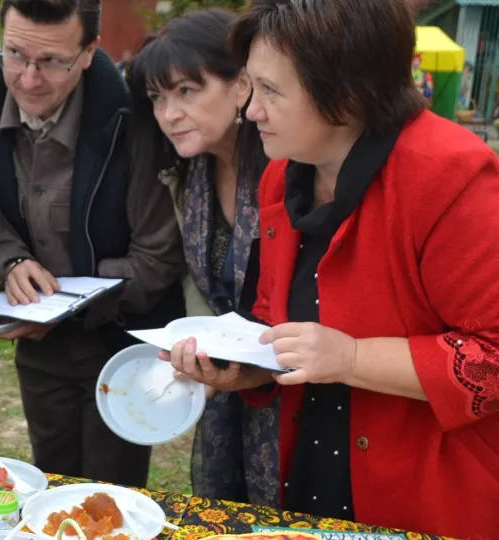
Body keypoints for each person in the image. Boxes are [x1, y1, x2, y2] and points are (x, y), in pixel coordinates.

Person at [168, 0, 499, 536]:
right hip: (314, 471)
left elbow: (492, 358)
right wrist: (243, 366)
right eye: (251, 86)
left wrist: (351, 356)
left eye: (271, 91)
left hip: (431, 496)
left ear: (347, 92)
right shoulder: (285, 176)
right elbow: (280, 324)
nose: (252, 111)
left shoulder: (452, 176)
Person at [0, 0, 186, 488]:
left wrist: (63, 307)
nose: (27, 79)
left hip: (122, 346)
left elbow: (157, 259)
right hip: (40, 353)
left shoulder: (133, 119)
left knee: (112, 497)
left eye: (52, 62)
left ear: (89, 52)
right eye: (16, 54)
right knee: (52, 485)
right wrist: (11, 258)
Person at [129, 10, 278, 507]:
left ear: (241, 87)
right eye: (157, 97)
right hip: (224, 390)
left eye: (187, 91)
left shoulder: (290, 169)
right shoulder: (189, 174)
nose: (168, 113)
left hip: (299, 396)